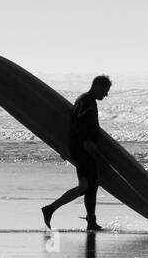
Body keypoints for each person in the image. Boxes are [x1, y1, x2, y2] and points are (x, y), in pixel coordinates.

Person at [42, 74, 111, 231]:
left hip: (80, 148)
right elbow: (77, 124)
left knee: (90, 186)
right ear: (98, 86)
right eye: (105, 90)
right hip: (82, 149)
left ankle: (90, 220)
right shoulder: (87, 101)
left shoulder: (86, 100)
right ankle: (51, 208)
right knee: (87, 186)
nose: (106, 94)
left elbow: (76, 123)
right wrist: (86, 140)